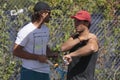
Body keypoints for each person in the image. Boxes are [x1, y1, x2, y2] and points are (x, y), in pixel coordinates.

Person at [13, 1, 56, 80]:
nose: (50, 16)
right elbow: (16, 51)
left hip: (44, 72)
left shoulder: (46, 29)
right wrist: (37, 57)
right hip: (30, 71)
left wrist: (50, 53)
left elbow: (41, 45)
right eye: (49, 13)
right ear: (43, 13)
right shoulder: (26, 30)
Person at [61, 10, 99, 80]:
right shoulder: (75, 37)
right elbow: (63, 48)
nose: (75, 23)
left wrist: (71, 55)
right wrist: (80, 39)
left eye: (78, 21)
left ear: (86, 23)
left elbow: (91, 48)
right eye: (75, 21)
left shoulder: (92, 39)